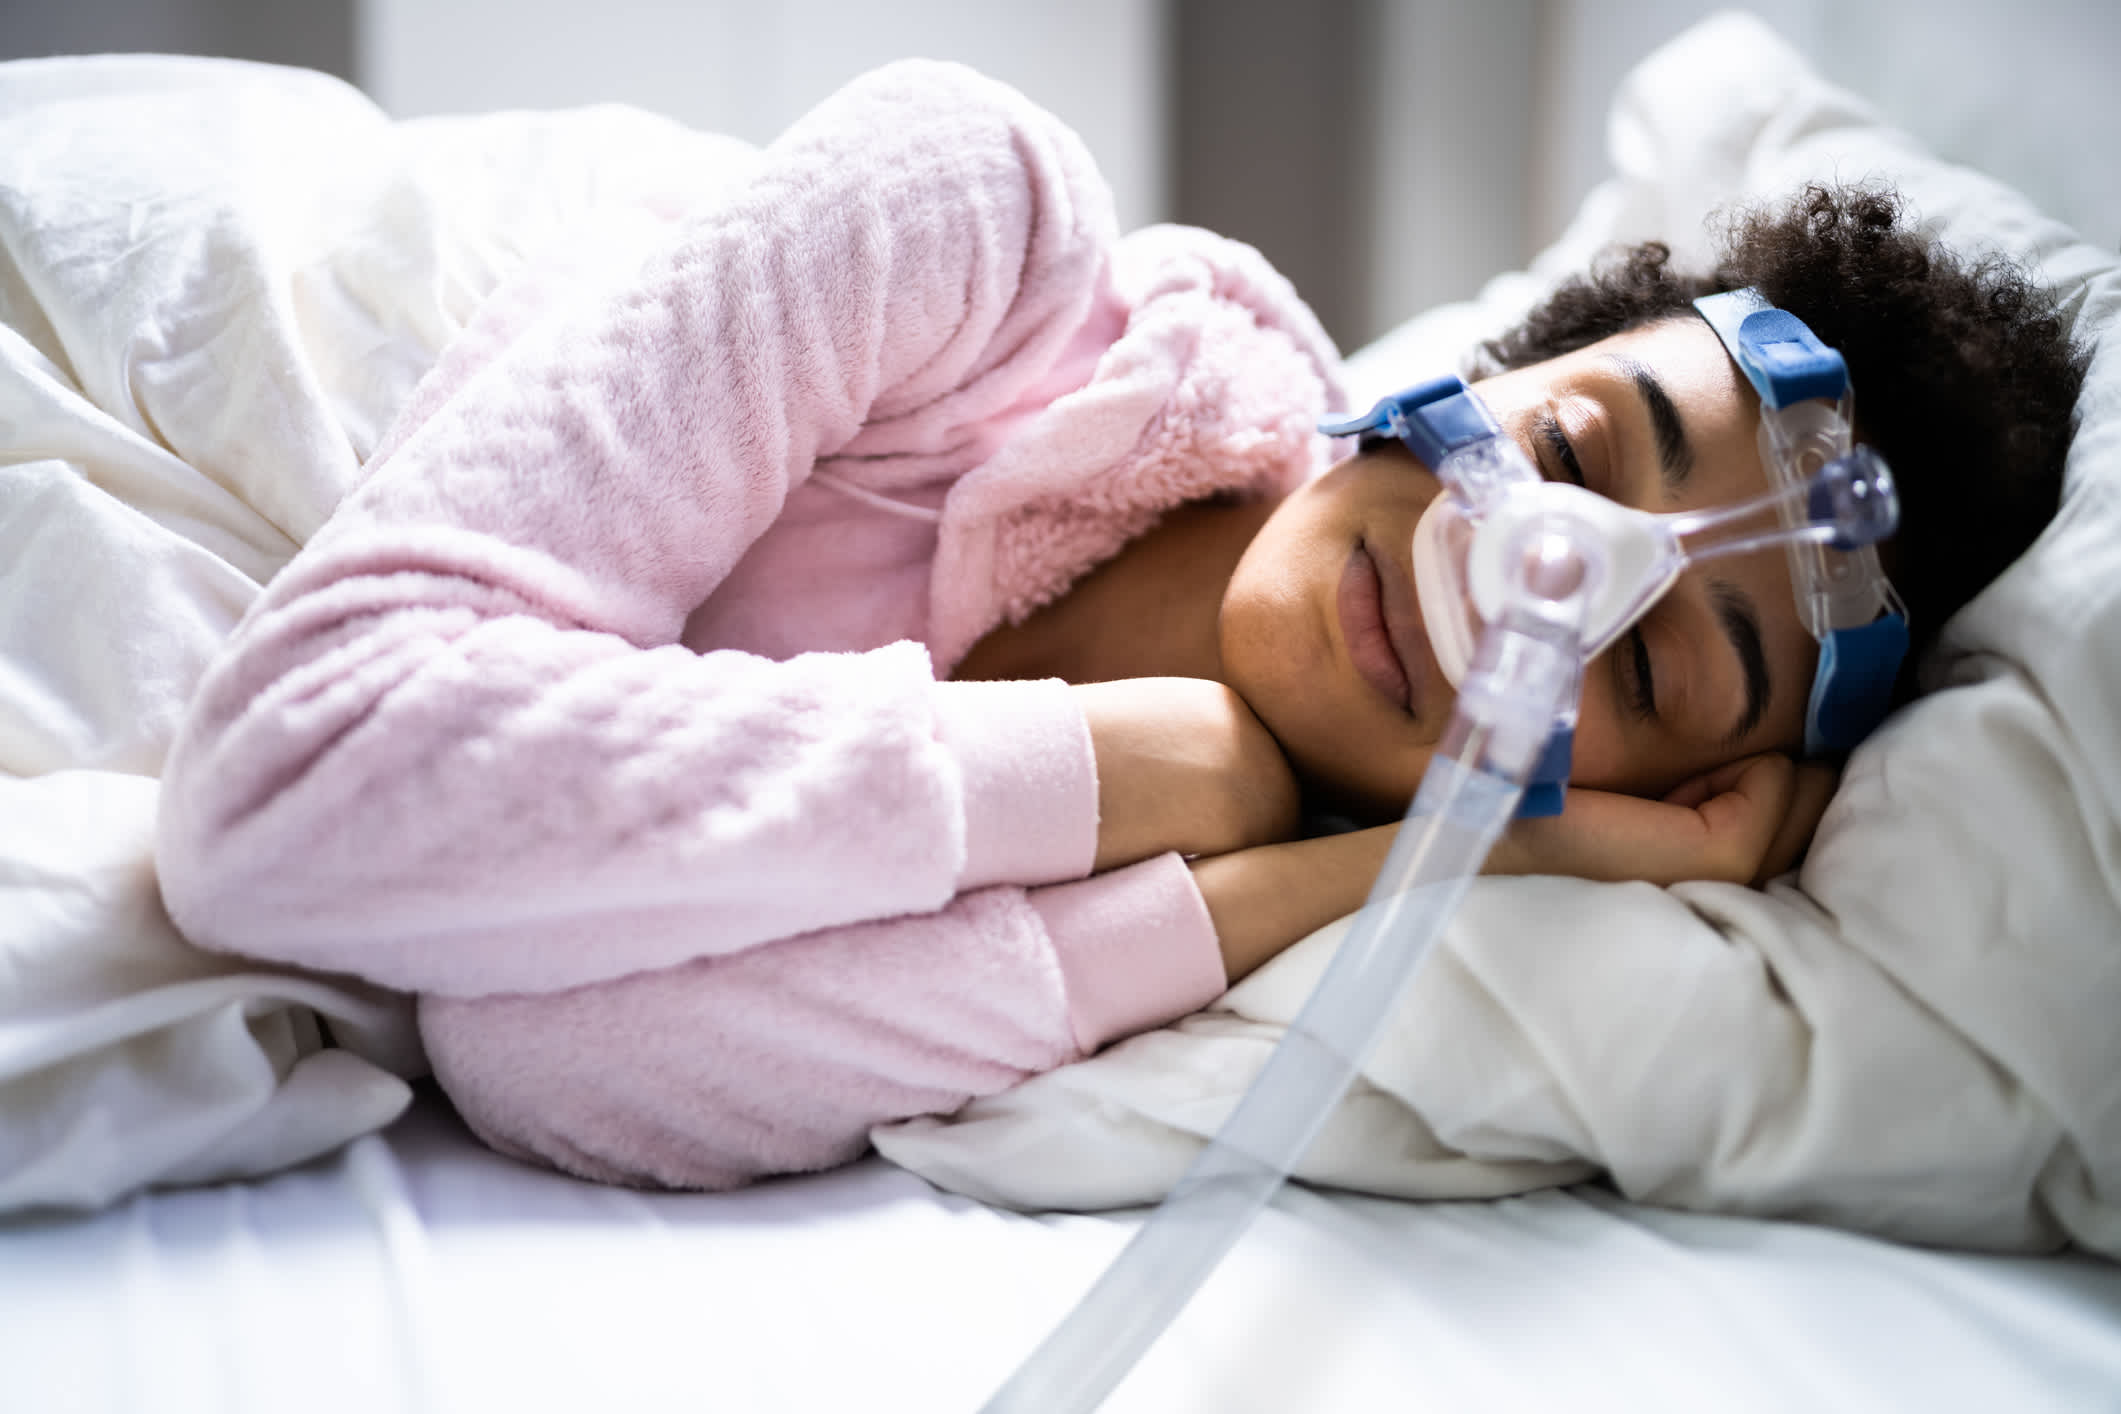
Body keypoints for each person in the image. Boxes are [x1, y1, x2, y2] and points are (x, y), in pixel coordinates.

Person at [154, 60, 2084, 1192]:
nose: (1525, 571)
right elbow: (285, 790)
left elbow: (549, 1056)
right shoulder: (960, 225)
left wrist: (1279, 864)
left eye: (1643, 655)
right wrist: (1139, 761)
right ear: (1506, 364)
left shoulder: (1226, 912)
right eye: (1574, 440)